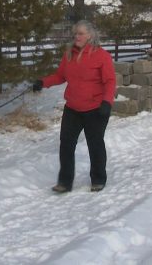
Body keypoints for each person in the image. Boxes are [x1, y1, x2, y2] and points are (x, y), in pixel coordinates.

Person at [32, 20, 116, 193]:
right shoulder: (69, 54)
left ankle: (98, 179)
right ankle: (64, 182)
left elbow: (110, 81)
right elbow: (60, 76)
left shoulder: (102, 56)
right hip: (73, 108)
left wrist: (107, 102)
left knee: (95, 144)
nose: (76, 36)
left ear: (90, 35)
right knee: (66, 144)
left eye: (81, 33)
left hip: (96, 108)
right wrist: (43, 82)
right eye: (75, 33)